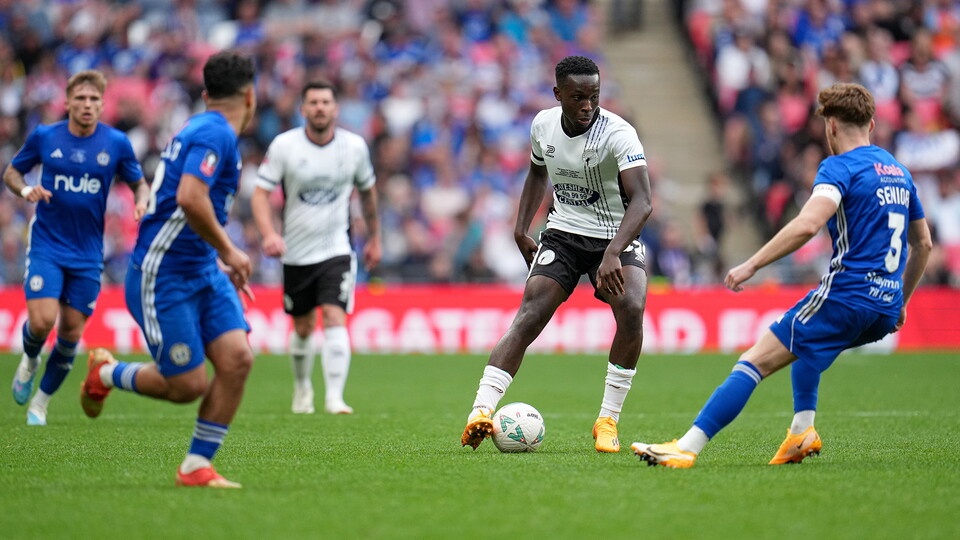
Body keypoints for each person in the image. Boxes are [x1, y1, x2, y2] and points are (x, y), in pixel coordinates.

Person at [632, 83, 933, 468]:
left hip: (847, 297)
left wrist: (752, 264)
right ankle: (801, 432)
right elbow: (922, 244)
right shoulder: (900, 173)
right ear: (872, 123)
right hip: (885, 308)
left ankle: (687, 446)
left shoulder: (839, 167)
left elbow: (808, 225)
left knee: (753, 361)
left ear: (831, 127)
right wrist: (901, 302)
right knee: (808, 344)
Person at [79, 51, 257, 488]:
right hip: (164, 274)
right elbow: (190, 199)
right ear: (251, 97)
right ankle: (105, 372)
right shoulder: (215, 133)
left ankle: (196, 466)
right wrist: (231, 251)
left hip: (201, 268)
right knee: (187, 384)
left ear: (205, 93)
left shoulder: (204, 128)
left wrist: (217, 257)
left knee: (236, 359)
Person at [460, 55, 653, 453]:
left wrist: (614, 252)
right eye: (578, 97)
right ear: (558, 94)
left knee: (632, 308)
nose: (588, 105)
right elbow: (536, 172)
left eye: (594, 96)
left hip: (613, 237)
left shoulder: (618, 134)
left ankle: (607, 421)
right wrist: (520, 227)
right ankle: (480, 412)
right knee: (531, 313)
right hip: (563, 233)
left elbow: (643, 201)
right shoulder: (542, 125)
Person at [4, 69, 148, 426]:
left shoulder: (116, 143)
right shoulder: (44, 137)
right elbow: (11, 172)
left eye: (94, 99)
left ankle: (40, 403)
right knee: (41, 322)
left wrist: (142, 201)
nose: (87, 104)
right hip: (47, 244)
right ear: (67, 102)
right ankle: (30, 359)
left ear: (102, 105)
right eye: (80, 98)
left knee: (70, 334)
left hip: (87, 253)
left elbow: (138, 182)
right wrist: (26, 191)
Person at [251, 80, 381, 415]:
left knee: (336, 316)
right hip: (295, 251)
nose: (320, 108)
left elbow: (368, 193)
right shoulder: (284, 146)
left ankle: (335, 397)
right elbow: (260, 194)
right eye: (314, 102)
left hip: (337, 247)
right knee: (304, 326)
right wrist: (268, 234)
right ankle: (302, 388)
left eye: (326, 102)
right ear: (303, 109)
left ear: (336, 109)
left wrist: (375, 238)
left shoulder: (354, 147)